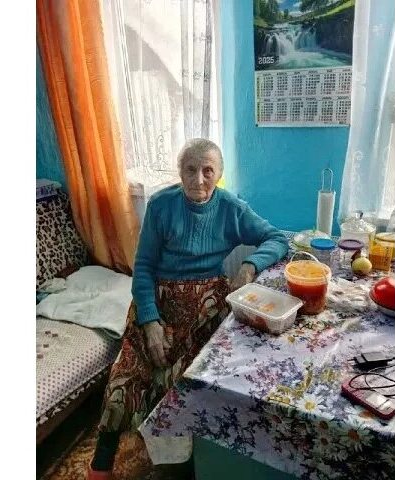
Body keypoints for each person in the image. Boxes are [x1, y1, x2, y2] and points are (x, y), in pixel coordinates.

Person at [87, 138, 288, 479]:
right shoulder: (161, 205)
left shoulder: (231, 208)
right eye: (190, 170)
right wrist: (149, 321)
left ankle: (183, 464)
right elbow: (144, 267)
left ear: (219, 174)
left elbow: (277, 238)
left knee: (188, 379)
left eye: (208, 171)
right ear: (179, 172)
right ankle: (102, 461)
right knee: (127, 374)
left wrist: (249, 266)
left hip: (206, 306)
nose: (198, 179)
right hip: (158, 301)